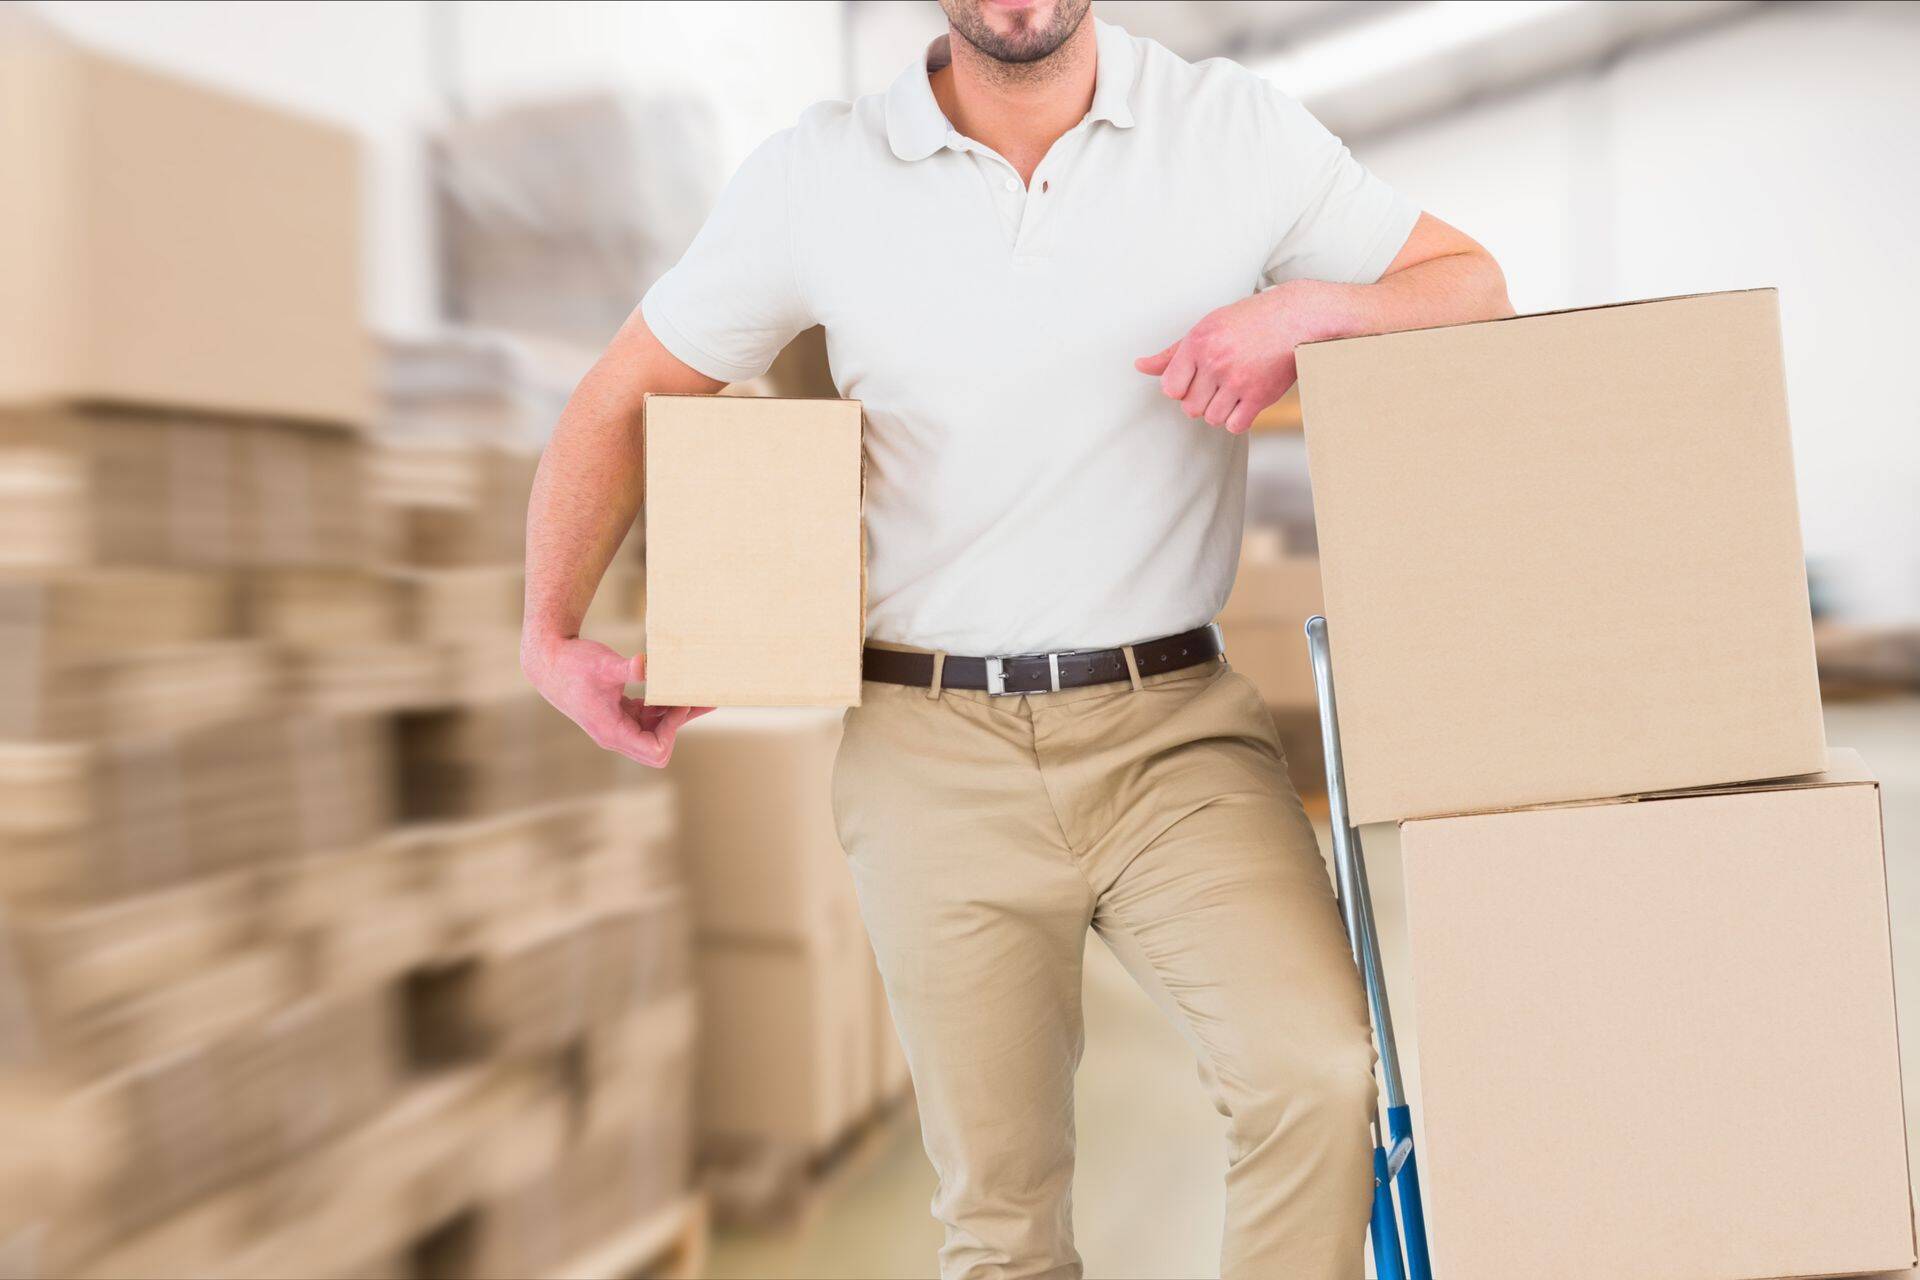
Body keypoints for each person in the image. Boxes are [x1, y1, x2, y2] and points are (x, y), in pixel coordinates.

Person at [521, 2, 1510, 1276]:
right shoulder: (819, 177)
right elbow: (624, 390)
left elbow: (1470, 285)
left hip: (1175, 738)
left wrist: (1305, 313)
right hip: (932, 751)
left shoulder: (1229, 132)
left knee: (1316, 1075)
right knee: (1001, 1213)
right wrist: (549, 634)